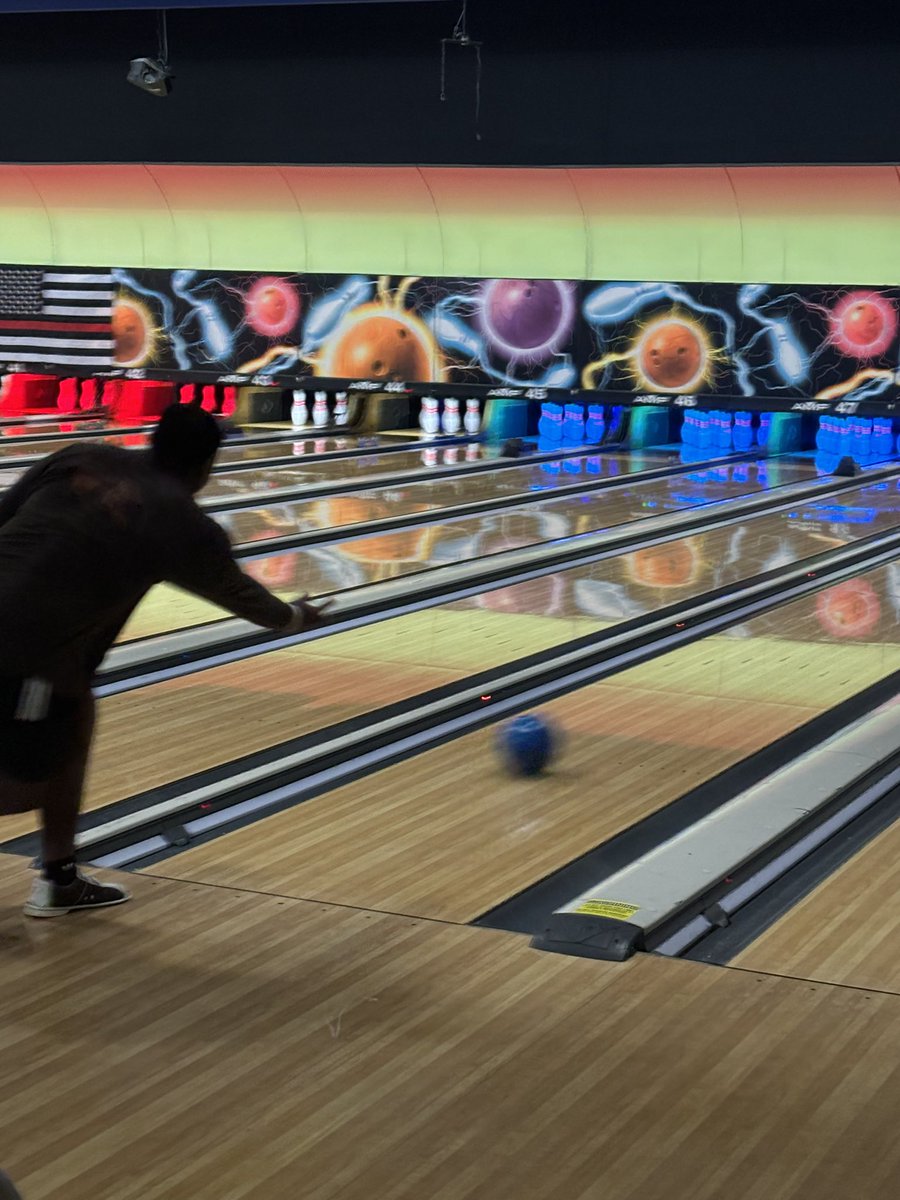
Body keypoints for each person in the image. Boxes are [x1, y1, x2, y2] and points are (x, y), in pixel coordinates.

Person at [0, 404, 328, 918]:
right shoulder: (183, 523)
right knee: (21, 789)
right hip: (25, 655)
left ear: (152, 441)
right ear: (206, 467)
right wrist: (297, 617)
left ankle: (60, 878)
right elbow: (247, 599)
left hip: (48, 663)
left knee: (78, 711)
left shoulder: (79, 456)